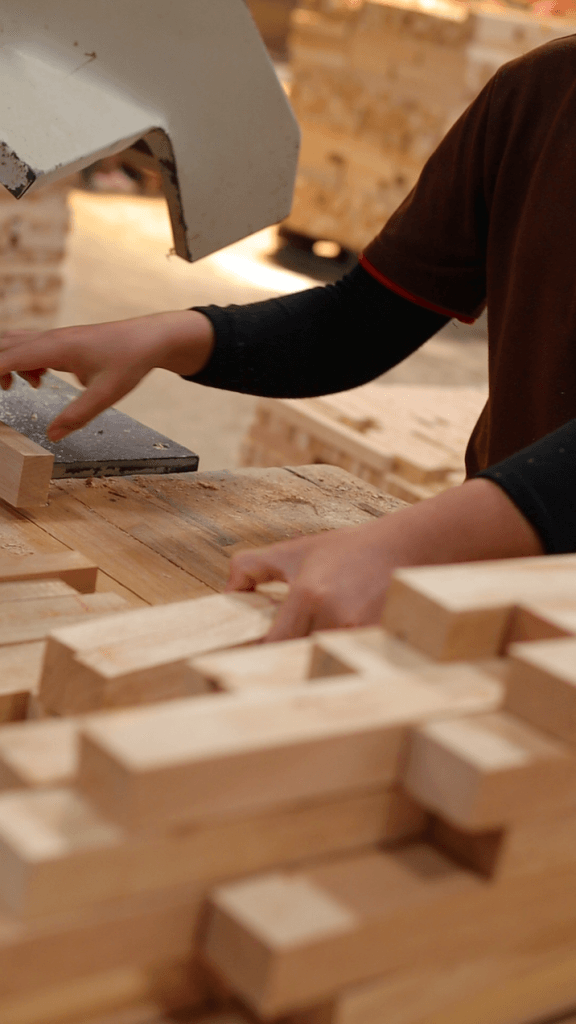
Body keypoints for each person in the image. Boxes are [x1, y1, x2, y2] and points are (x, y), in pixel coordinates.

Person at [1, 34, 574, 639]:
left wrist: (421, 540)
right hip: (496, 579)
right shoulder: (542, 90)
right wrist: (169, 335)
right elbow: (364, 322)